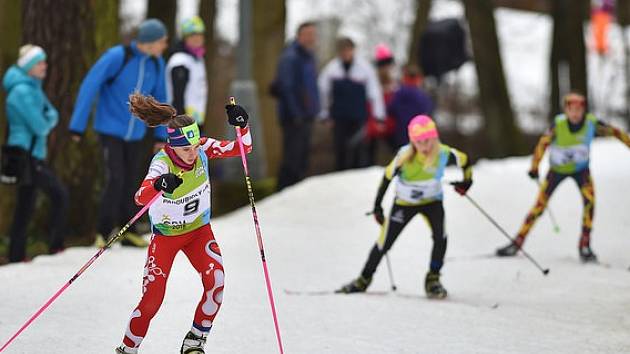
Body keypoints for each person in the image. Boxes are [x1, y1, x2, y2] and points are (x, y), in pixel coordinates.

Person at [115, 93, 251, 354]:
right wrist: (159, 184)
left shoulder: (202, 148)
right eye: (185, 149)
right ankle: (127, 349)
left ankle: (195, 342)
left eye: (194, 147)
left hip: (199, 232)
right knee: (152, 300)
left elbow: (243, 148)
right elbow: (139, 197)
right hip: (166, 237)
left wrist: (242, 125)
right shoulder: (161, 163)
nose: (192, 154)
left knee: (216, 283)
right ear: (172, 146)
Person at [337, 115, 472, 298]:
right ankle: (363, 279)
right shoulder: (404, 156)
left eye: (428, 141)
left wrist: (466, 182)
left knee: (441, 237)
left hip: (432, 202)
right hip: (404, 204)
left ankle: (433, 279)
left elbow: (465, 161)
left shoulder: (443, 153)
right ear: (412, 141)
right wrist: (378, 206)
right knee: (385, 242)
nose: (424, 146)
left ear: (434, 138)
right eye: (419, 142)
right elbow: (386, 178)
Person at [69, 19, 170, 248]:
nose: (165, 45)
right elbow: (90, 85)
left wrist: (161, 135)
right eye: (162, 41)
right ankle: (103, 232)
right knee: (115, 178)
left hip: (137, 134)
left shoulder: (157, 63)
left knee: (134, 180)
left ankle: (129, 230)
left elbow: (161, 98)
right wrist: (77, 125)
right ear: (150, 41)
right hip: (110, 130)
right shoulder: (118, 56)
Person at [496, 91, 630, 262]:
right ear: (565, 111)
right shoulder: (558, 125)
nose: (575, 114)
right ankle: (517, 242)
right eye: (571, 110)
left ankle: (585, 245)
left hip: (581, 171)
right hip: (557, 171)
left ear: (583, 110)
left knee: (590, 204)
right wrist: (534, 167)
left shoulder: (591, 123)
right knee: (539, 206)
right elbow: (542, 144)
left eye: (578, 110)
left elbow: (617, 132)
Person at [2, 44, 68, 262]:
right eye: (40, 62)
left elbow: (54, 114)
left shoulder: (33, 87)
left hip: (33, 153)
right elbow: (41, 124)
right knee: (59, 195)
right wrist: (48, 119)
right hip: (25, 153)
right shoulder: (21, 91)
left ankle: (16, 255)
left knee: (26, 204)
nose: (45, 66)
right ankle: (55, 247)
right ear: (29, 66)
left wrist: (48, 118)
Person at [318, 37, 384, 170]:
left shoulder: (365, 68)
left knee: (358, 152)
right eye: (343, 50)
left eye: (348, 50)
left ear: (353, 50)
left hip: (358, 117)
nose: (346, 53)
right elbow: (323, 92)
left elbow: (375, 93)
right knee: (340, 152)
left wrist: (379, 116)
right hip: (339, 117)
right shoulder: (331, 69)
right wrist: (324, 115)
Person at [274, 21, 320, 191]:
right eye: (308, 34)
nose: (311, 38)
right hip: (294, 117)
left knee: (303, 157)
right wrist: (296, 114)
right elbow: (287, 87)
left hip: (307, 115)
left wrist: (315, 110)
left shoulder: (310, 57)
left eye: (313, 35)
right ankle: (283, 192)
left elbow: (312, 87)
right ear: (299, 35)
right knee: (292, 158)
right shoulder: (290, 57)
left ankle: (296, 193)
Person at [166, 16, 208, 130]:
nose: (197, 38)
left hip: (196, 120)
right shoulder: (180, 60)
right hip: (183, 123)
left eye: (199, 34)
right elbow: (177, 96)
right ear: (184, 38)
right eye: (192, 35)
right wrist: (181, 124)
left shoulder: (198, 59)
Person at [388, 64, 434, 149]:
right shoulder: (424, 96)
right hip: (419, 135)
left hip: (400, 133)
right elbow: (428, 112)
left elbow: (391, 109)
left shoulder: (399, 93)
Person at [365, 43, 396, 165]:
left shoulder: (393, 81)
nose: (386, 67)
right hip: (375, 122)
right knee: (370, 150)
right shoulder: (373, 81)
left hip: (390, 122)